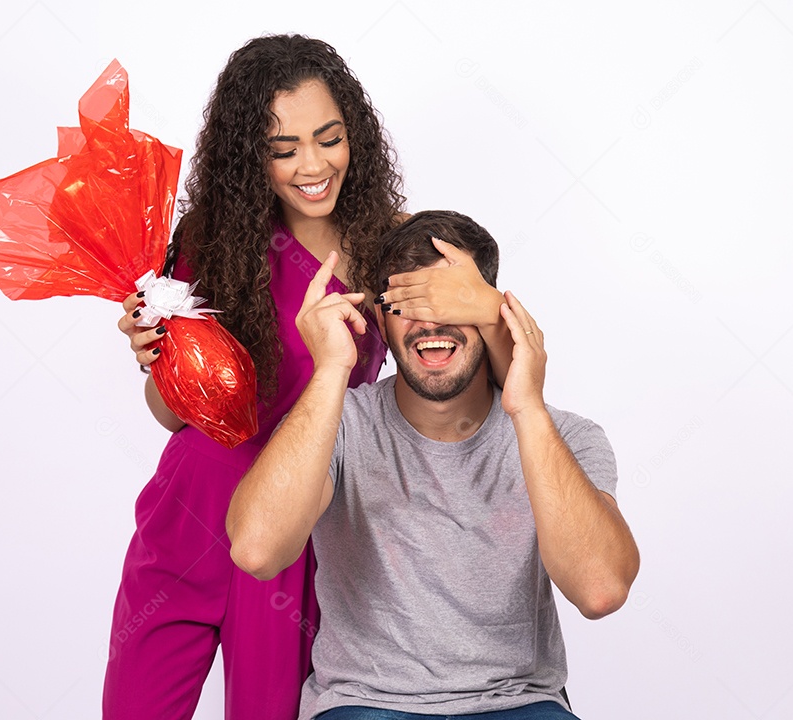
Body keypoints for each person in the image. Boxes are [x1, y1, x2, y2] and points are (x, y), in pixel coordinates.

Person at [107, 38, 510, 719]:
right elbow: (170, 414)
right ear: (248, 156)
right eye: (283, 148)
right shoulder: (210, 239)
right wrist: (158, 360)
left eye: (329, 139)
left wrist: (486, 309)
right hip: (188, 510)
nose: (313, 166)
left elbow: (486, 377)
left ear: (355, 134)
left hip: (300, 517)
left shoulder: (393, 244)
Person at [227, 210, 641, 719]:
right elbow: (256, 550)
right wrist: (332, 367)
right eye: (405, 303)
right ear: (379, 318)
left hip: (519, 702)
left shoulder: (566, 437)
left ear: (493, 315)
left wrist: (528, 406)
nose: (429, 323)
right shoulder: (338, 425)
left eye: (449, 300)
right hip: (365, 703)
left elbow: (601, 590)